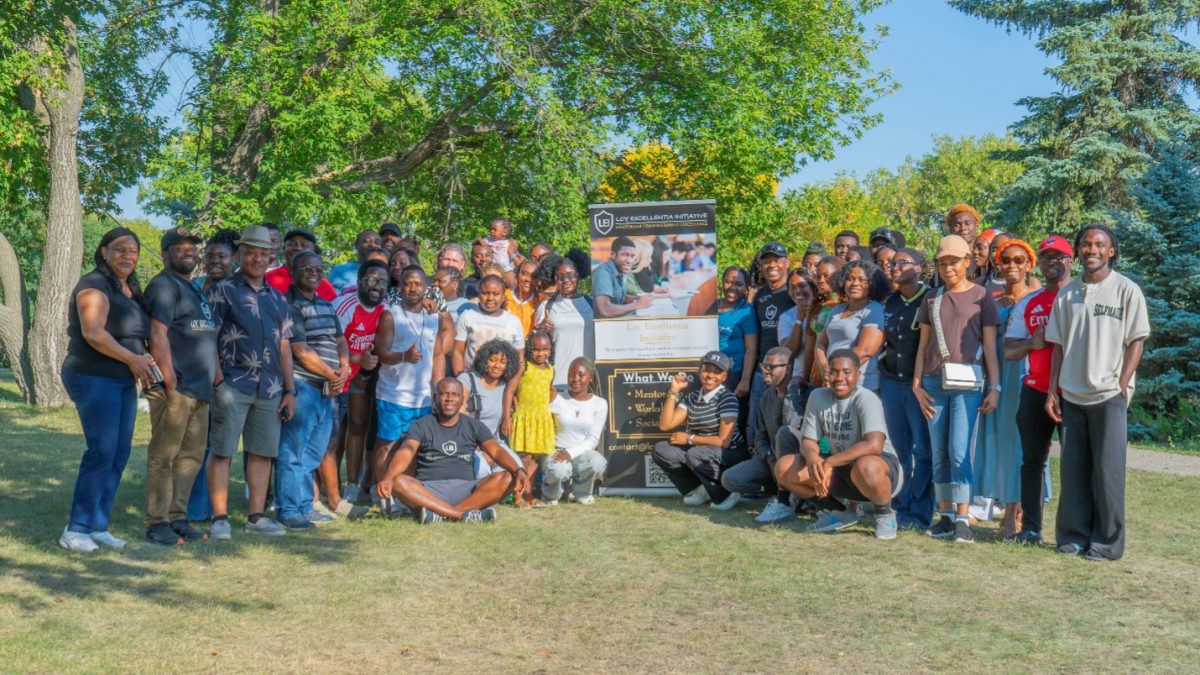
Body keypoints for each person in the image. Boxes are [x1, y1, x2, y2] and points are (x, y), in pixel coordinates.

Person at [1045, 225, 1149, 561]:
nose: (1092, 249)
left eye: (1099, 245)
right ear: (1078, 251)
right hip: (1072, 395)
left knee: (1108, 475)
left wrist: (1122, 385)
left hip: (1108, 395)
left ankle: (1106, 544)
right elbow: (1058, 346)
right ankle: (1073, 538)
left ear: (1111, 251)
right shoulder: (1067, 294)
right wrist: (1052, 390)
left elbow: (1137, 340)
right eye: (1086, 244)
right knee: (1073, 473)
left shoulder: (1126, 290)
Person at [58, 228, 155, 552]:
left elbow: (134, 335)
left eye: (133, 251)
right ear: (103, 252)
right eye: (120, 250)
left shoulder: (128, 289)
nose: (128, 255)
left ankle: (98, 525)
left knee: (118, 453)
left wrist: (144, 359)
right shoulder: (93, 285)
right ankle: (76, 529)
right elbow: (94, 333)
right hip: (92, 375)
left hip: (123, 379)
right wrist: (133, 359)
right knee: (101, 450)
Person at [206, 224, 298, 539]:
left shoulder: (278, 298)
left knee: (262, 453)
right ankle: (219, 518)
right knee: (222, 451)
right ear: (240, 253)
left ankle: (256, 517)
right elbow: (209, 338)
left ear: (270, 256)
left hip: (271, 388)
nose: (257, 258)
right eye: (251, 252)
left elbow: (285, 345)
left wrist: (290, 389)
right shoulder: (222, 290)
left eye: (263, 253)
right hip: (234, 384)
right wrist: (218, 379)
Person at [913, 234, 1001, 544]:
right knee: (939, 452)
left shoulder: (982, 296)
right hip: (934, 383)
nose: (948, 268)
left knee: (960, 450)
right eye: (942, 262)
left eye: (953, 261)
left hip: (969, 383)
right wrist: (917, 384)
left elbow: (990, 347)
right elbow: (922, 346)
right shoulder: (932, 298)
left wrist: (996, 386)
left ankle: (963, 517)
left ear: (967, 262)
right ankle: (945, 514)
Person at [774, 349, 904, 540]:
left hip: (879, 469)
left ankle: (884, 513)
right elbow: (809, 440)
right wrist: (813, 459)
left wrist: (829, 462)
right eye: (833, 372)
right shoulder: (818, 396)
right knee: (784, 468)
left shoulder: (866, 398)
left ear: (858, 375)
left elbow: (874, 445)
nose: (839, 377)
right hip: (841, 466)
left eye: (846, 372)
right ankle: (840, 512)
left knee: (866, 465)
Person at [142, 227, 217, 546]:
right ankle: (156, 521)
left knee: (190, 458)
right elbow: (157, 334)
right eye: (180, 247)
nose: (188, 251)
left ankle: (178, 517)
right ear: (165, 253)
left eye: (192, 247)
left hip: (200, 390)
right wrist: (170, 380)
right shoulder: (163, 286)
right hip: (176, 388)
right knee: (164, 456)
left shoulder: (193, 288)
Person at [375, 378, 528, 523]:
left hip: (467, 491)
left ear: (462, 399)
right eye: (444, 394)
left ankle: (440, 515)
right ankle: (460, 515)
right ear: (435, 398)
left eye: (455, 395)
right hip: (429, 490)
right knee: (398, 481)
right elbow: (406, 451)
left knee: (509, 477)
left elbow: (496, 451)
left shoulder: (474, 425)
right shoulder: (421, 425)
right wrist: (389, 476)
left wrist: (519, 470)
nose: (449, 399)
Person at [1004, 235, 1074, 545]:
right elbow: (1009, 349)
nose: (1052, 262)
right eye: (1046, 257)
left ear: (1071, 260)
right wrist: (1031, 343)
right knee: (1032, 463)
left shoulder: (1080, 296)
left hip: (1074, 392)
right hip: (1035, 391)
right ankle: (1030, 529)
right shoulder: (1028, 303)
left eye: (1058, 257)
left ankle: (1072, 532)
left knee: (1075, 464)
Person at [276, 250, 350, 530]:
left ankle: (306, 505)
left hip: (327, 390)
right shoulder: (289, 305)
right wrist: (333, 375)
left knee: (314, 452)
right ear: (293, 272)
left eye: (318, 269)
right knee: (292, 451)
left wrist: (343, 368)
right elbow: (300, 350)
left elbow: (340, 340)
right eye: (307, 268)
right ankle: (288, 509)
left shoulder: (326, 304)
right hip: (304, 386)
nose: (314, 273)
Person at [972, 237, 1037, 538]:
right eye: (1006, 260)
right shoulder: (992, 301)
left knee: (1021, 445)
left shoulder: (1036, 299)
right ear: (998, 263)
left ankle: (1017, 515)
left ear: (1029, 265)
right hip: (997, 380)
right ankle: (1005, 509)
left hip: (1024, 378)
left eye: (1018, 260)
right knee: (1000, 445)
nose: (1012, 265)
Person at [370, 266, 444, 513]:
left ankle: (403, 494)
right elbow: (380, 351)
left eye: (418, 284)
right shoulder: (392, 315)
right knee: (388, 445)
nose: (413, 288)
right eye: (408, 284)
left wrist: (438, 388)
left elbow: (438, 354)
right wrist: (403, 356)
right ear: (400, 286)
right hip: (394, 393)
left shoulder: (434, 317)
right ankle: (383, 494)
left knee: (413, 447)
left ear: (426, 288)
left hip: (422, 396)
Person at [186, 228, 240, 523]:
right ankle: (194, 507)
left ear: (234, 259)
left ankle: (210, 506)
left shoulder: (237, 288)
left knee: (218, 445)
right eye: (210, 256)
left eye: (222, 256)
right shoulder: (195, 286)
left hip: (227, 376)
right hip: (194, 373)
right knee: (196, 442)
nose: (215, 261)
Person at [879, 248, 934, 530]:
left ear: (920, 268)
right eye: (892, 263)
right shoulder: (889, 302)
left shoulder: (932, 298)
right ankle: (899, 507)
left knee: (923, 450)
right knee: (898, 450)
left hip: (920, 386)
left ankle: (921, 512)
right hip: (891, 383)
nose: (895, 267)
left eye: (902, 262)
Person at [652, 351, 748, 509]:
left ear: (725, 377)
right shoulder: (692, 397)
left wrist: (690, 439)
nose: (711, 375)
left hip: (730, 453)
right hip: (702, 450)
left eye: (717, 372)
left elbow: (723, 442)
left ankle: (726, 493)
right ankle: (699, 490)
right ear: (700, 372)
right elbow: (666, 425)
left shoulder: (727, 398)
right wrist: (674, 391)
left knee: (695, 453)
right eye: (707, 370)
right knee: (661, 449)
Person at [720, 347, 802, 522]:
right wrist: (771, 460)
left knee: (784, 433)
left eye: (771, 366)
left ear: (787, 368)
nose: (765, 370)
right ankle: (784, 491)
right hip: (770, 460)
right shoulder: (766, 396)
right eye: (764, 365)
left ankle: (788, 499)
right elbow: (760, 437)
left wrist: (781, 464)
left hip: (797, 462)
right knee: (730, 479)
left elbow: (794, 435)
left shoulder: (801, 394)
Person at [331, 261, 388, 505]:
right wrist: (357, 359)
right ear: (360, 282)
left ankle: (352, 484)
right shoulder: (343, 306)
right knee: (332, 435)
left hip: (363, 378)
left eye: (383, 283)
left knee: (358, 427)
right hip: (336, 375)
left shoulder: (387, 309)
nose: (377, 287)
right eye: (372, 280)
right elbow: (327, 344)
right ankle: (324, 488)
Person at [542, 357, 609, 506]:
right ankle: (550, 495)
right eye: (571, 374)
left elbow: (593, 439)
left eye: (581, 374)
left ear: (590, 378)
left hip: (581, 453)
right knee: (559, 470)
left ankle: (582, 493)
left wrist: (570, 453)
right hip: (555, 450)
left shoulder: (599, 404)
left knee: (597, 462)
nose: (575, 378)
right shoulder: (555, 398)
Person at [813, 259, 887, 393]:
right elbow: (821, 344)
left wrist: (836, 373)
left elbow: (865, 351)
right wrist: (825, 368)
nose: (855, 283)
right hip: (833, 381)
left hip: (860, 384)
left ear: (873, 284)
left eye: (862, 280)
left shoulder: (873, 309)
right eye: (850, 278)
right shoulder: (837, 310)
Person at [748, 242, 794, 449]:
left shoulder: (794, 292)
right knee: (758, 423)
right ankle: (759, 465)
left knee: (785, 424)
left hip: (788, 371)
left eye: (776, 260)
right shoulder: (760, 295)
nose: (771, 265)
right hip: (761, 371)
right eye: (766, 261)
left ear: (786, 263)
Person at [505, 330, 557, 506]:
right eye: (536, 349)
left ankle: (529, 495)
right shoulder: (524, 367)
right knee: (522, 459)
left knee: (534, 461)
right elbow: (510, 391)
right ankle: (517, 496)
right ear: (529, 349)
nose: (541, 353)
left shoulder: (551, 370)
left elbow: (546, 391)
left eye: (545, 349)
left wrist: (552, 394)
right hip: (524, 419)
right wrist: (506, 417)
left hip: (541, 420)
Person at [534, 256, 595, 390]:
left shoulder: (592, 305)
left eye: (570, 275)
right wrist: (541, 332)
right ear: (554, 279)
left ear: (578, 276)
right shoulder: (546, 306)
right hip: (557, 381)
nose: (566, 280)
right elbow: (534, 346)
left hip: (588, 380)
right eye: (560, 276)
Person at [452, 275, 526, 375]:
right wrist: (461, 379)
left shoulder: (513, 321)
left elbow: (519, 358)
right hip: (472, 379)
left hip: (502, 382)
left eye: (496, 294)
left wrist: (510, 387)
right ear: (478, 294)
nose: (490, 298)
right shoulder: (467, 316)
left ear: (504, 297)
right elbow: (457, 352)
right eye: (485, 293)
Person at [716, 267, 758, 430]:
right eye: (729, 282)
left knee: (731, 419)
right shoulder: (711, 306)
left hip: (734, 373)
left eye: (739, 284)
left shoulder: (746, 311)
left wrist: (745, 381)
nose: (732, 287)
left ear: (746, 289)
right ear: (722, 283)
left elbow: (751, 349)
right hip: (710, 371)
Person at [265, 228, 337, 301]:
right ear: (284, 248)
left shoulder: (324, 285)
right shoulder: (266, 279)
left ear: (313, 250)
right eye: (292, 244)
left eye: (304, 245)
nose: (298, 248)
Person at [594, 236, 654, 317]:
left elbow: (618, 298)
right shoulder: (603, 273)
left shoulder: (621, 270)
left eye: (632, 256)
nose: (629, 260)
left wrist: (636, 298)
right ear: (613, 255)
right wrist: (638, 304)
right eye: (625, 255)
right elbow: (605, 310)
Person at [327, 229, 381, 293]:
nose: (372, 245)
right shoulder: (341, 271)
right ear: (356, 245)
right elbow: (328, 299)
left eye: (377, 242)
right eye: (367, 241)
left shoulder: (385, 273)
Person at [506, 258, 540, 335]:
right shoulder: (503, 296)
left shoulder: (540, 302)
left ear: (539, 280)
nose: (528, 279)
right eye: (524, 274)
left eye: (534, 276)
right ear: (517, 274)